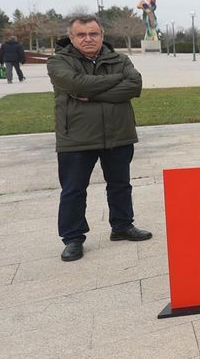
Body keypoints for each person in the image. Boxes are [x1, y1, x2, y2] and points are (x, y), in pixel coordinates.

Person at [48, 14, 152, 261]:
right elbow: (76, 85)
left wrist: (92, 93)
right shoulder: (58, 62)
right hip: (76, 137)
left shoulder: (120, 59)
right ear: (71, 37)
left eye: (93, 34)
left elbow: (134, 86)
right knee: (74, 190)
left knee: (120, 184)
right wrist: (116, 81)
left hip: (118, 134)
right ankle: (73, 238)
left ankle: (122, 225)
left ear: (102, 36)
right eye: (81, 35)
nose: (88, 39)